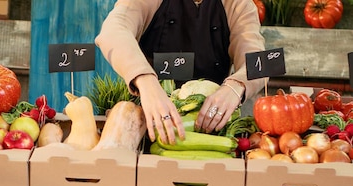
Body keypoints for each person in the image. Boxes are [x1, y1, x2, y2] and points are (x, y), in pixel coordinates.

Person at [95, 0, 268, 144]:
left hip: (212, 131)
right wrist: (145, 81)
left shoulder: (239, 4)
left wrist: (236, 87)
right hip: (151, 126)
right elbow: (113, 30)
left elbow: (261, 60)